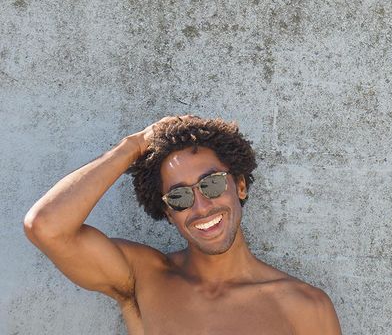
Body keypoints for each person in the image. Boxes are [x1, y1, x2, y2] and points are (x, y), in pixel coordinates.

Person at [24, 115, 342, 334]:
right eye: (179, 197)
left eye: (212, 185)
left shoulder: (304, 307)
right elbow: (46, 226)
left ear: (240, 186)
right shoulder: (143, 278)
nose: (201, 207)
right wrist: (132, 146)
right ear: (167, 212)